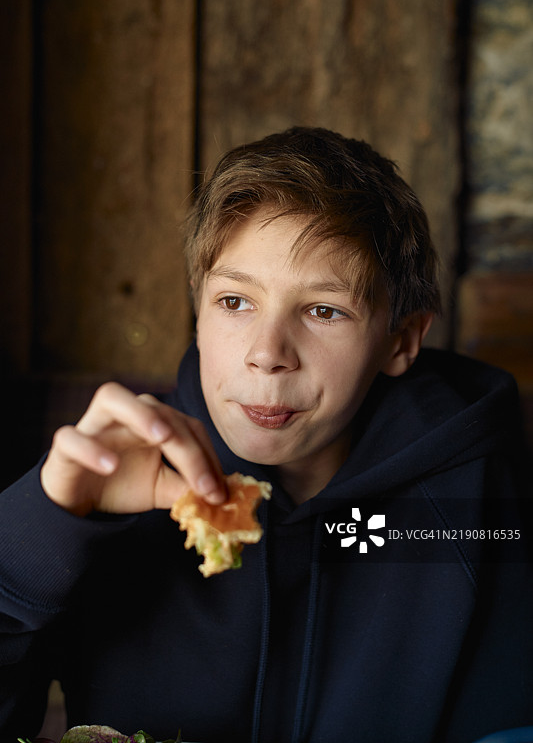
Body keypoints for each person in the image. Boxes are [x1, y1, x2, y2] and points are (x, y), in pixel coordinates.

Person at [1, 127, 531, 743]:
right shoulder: (105, 487)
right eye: (234, 302)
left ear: (402, 340)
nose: (267, 354)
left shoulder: (472, 506)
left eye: (323, 310)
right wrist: (41, 531)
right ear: (198, 311)